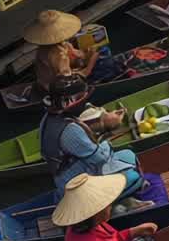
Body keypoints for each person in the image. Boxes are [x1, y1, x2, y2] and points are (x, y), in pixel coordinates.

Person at [40, 74, 146, 204]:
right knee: (134, 175)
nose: (86, 102)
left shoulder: (48, 118)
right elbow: (100, 159)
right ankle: (112, 203)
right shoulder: (70, 130)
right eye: (83, 99)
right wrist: (107, 129)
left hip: (67, 174)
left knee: (127, 155)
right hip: (77, 183)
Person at [24, 9, 99, 94]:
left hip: (45, 80)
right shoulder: (59, 55)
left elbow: (76, 54)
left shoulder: (44, 47)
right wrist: (92, 61)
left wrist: (84, 53)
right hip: (54, 87)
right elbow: (69, 79)